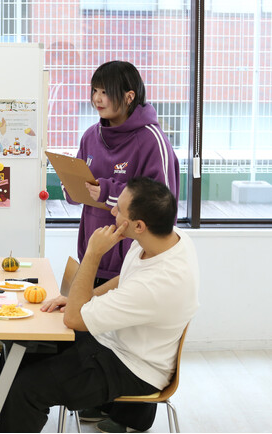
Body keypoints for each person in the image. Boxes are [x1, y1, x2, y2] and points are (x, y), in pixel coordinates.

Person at [0, 177, 199, 433]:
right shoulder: (170, 238)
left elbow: (74, 320)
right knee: (19, 347)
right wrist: (84, 297)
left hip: (132, 367)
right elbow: (125, 278)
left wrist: (93, 254)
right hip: (112, 342)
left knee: (26, 388)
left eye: (119, 209)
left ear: (138, 225)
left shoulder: (157, 284)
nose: (112, 210)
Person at [61, 61, 180, 430]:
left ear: (129, 96)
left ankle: (131, 416)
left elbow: (164, 202)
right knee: (88, 331)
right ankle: (93, 405)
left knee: (131, 337)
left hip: (132, 257)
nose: (97, 99)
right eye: (94, 91)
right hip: (94, 251)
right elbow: (80, 195)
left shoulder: (150, 139)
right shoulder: (90, 136)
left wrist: (108, 193)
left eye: (105, 92)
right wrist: (74, 188)